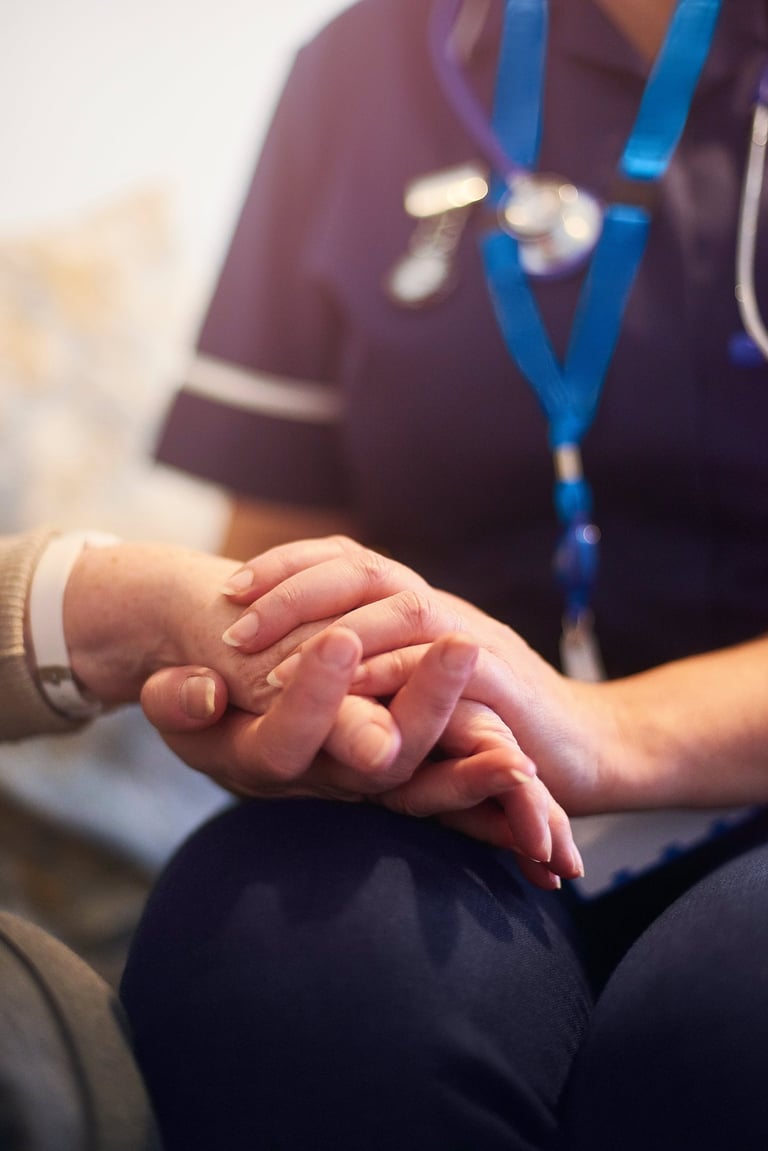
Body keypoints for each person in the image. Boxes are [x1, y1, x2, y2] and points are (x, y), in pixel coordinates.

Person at [121, 0, 768, 1148]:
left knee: (718, 1036)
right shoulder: (366, 67)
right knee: (280, 969)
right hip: (460, 799)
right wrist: (293, 692)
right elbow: (274, 542)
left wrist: (612, 730)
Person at [1, 524, 576, 1150]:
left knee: (690, 1019)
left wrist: (612, 726)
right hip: (445, 787)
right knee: (292, 938)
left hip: (682, 799)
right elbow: (267, 573)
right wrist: (167, 617)